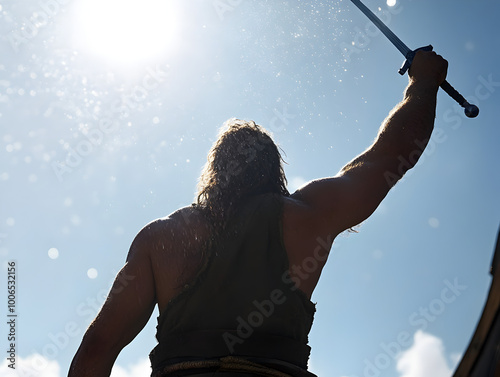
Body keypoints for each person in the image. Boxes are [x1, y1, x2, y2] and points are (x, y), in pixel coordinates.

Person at [67, 50, 448, 377]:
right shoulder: (309, 215)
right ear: (274, 168)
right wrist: (424, 81)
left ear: (215, 170)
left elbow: (99, 345)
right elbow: (392, 155)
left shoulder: (162, 237)